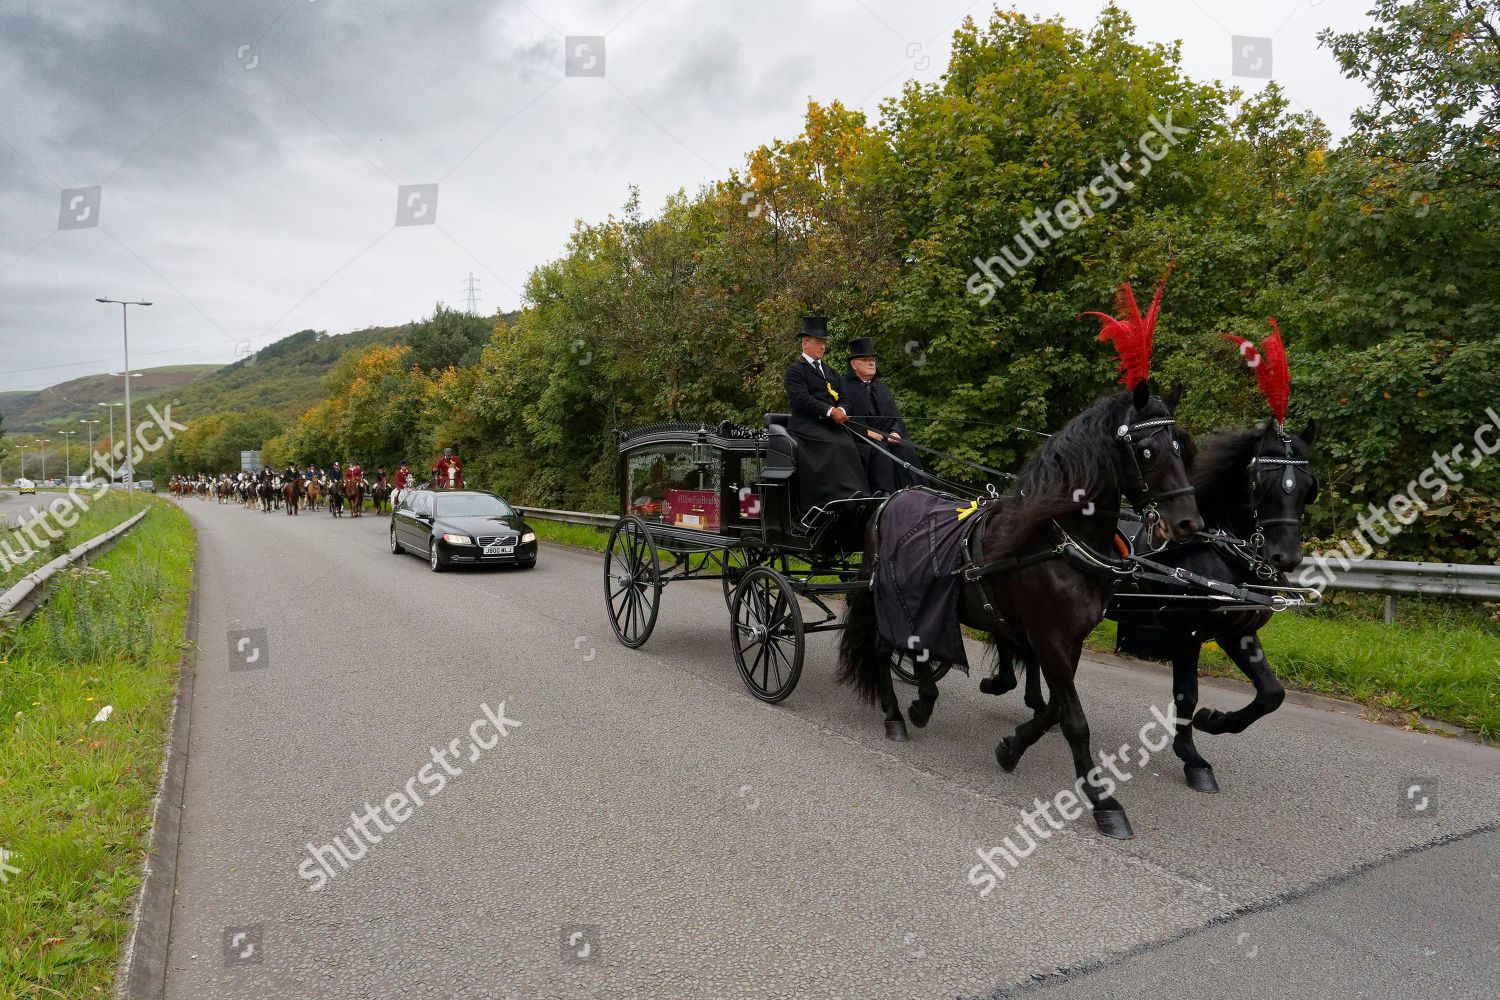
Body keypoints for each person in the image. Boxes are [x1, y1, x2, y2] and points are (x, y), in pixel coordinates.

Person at [783, 315, 866, 512]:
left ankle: (857, 493)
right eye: (818, 342)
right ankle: (830, 498)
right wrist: (830, 411)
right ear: (805, 344)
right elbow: (801, 399)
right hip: (806, 424)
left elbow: (845, 397)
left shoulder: (830, 371)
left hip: (830, 424)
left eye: (824, 343)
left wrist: (842, 410)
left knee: (851, 443)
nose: (822, 347)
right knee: (835, 444)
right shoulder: (795, 371)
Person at [841, 337, 924, 493]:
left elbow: (894, 416)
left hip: (887, 437)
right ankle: (884, 493)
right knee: (880, 451)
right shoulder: (843, 386)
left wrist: (895, 432)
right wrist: (866, 433)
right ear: (853, 364)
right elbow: (843, 419)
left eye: (872, 360)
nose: (871, 363)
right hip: (860, 441)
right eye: (866, 360)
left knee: (904, 448)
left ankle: (916, 492)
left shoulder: (881, 388)